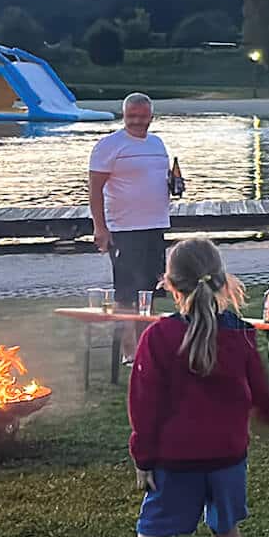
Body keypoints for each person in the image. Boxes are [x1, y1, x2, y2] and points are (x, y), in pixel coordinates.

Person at [99, 238, 269, 537]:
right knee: (226, 526)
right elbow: (261, 393)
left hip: (175, 458)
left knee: (152, 532)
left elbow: (143, 404)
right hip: (227, 455)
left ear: (169, 283)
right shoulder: (243, 335)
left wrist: (142, 456)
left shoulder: (159, 337)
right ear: (220, 279)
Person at [88, 93, 183, 352]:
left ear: (151, 117)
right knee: (126, 292)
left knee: (149, 290)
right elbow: (95, 190)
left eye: (142, 117)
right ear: (124, 115)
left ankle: (147, 346)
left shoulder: (157, 144)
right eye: (132, 117)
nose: (137, 122)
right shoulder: (109, 145)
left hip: (155, 225)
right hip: (124, 228)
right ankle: (128, 350)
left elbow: (160, 178)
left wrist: (173, 184)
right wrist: (100, 227)